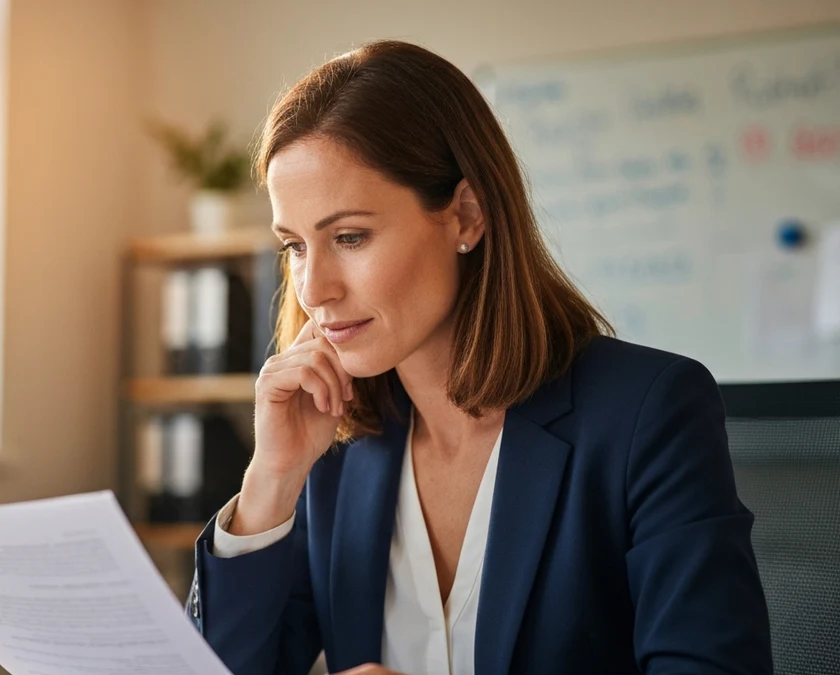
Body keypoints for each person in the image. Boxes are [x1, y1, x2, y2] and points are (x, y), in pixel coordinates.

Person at [184, 40, 772, 675]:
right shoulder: (335, 448)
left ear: (465, 214)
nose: (312, 288)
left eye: (349, 237)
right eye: (295, 247)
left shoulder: (648, 412)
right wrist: (270, 479)